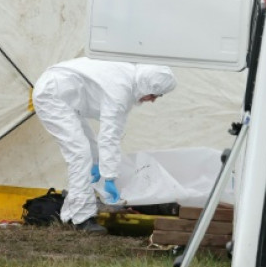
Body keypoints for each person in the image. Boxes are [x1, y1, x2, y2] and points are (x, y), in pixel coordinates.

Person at [32, 57, 177, 233]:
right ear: (147, 86)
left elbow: (108, 134)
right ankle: (81, 218)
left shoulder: (128, 78)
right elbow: (109, 136)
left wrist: (98, 163)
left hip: (61, 94)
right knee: (80, 154)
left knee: (89, 150)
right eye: (155, 95)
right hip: (52, 96)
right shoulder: (121, 90)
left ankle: (71, 212)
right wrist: (109, 177)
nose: (153, 100)